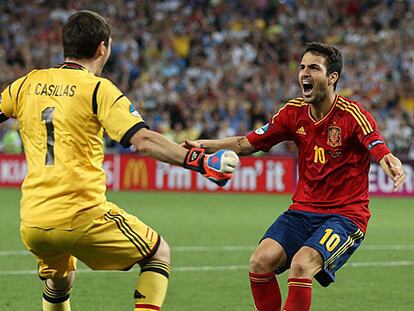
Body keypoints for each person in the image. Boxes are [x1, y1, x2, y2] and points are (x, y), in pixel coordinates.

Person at [0, 10, 239, 311]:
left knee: (60, 280)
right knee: (158, 253)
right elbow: (143, 140)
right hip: (80, 213)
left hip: (33, 220)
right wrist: (202, 163)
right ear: (103, 48)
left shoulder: (28, 83)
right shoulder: (99, 89)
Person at [184, 42, 406, 311]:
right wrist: (205, 145)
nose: (304, 73)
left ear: (332, 77)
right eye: (302, 67)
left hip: (346, 216)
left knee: (301, 265)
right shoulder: (293, 113)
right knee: (260, 261)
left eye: (314, 67)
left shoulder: (352, 115)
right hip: (302, 211)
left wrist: (389, 160)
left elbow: (376, 144)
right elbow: (246, 143)